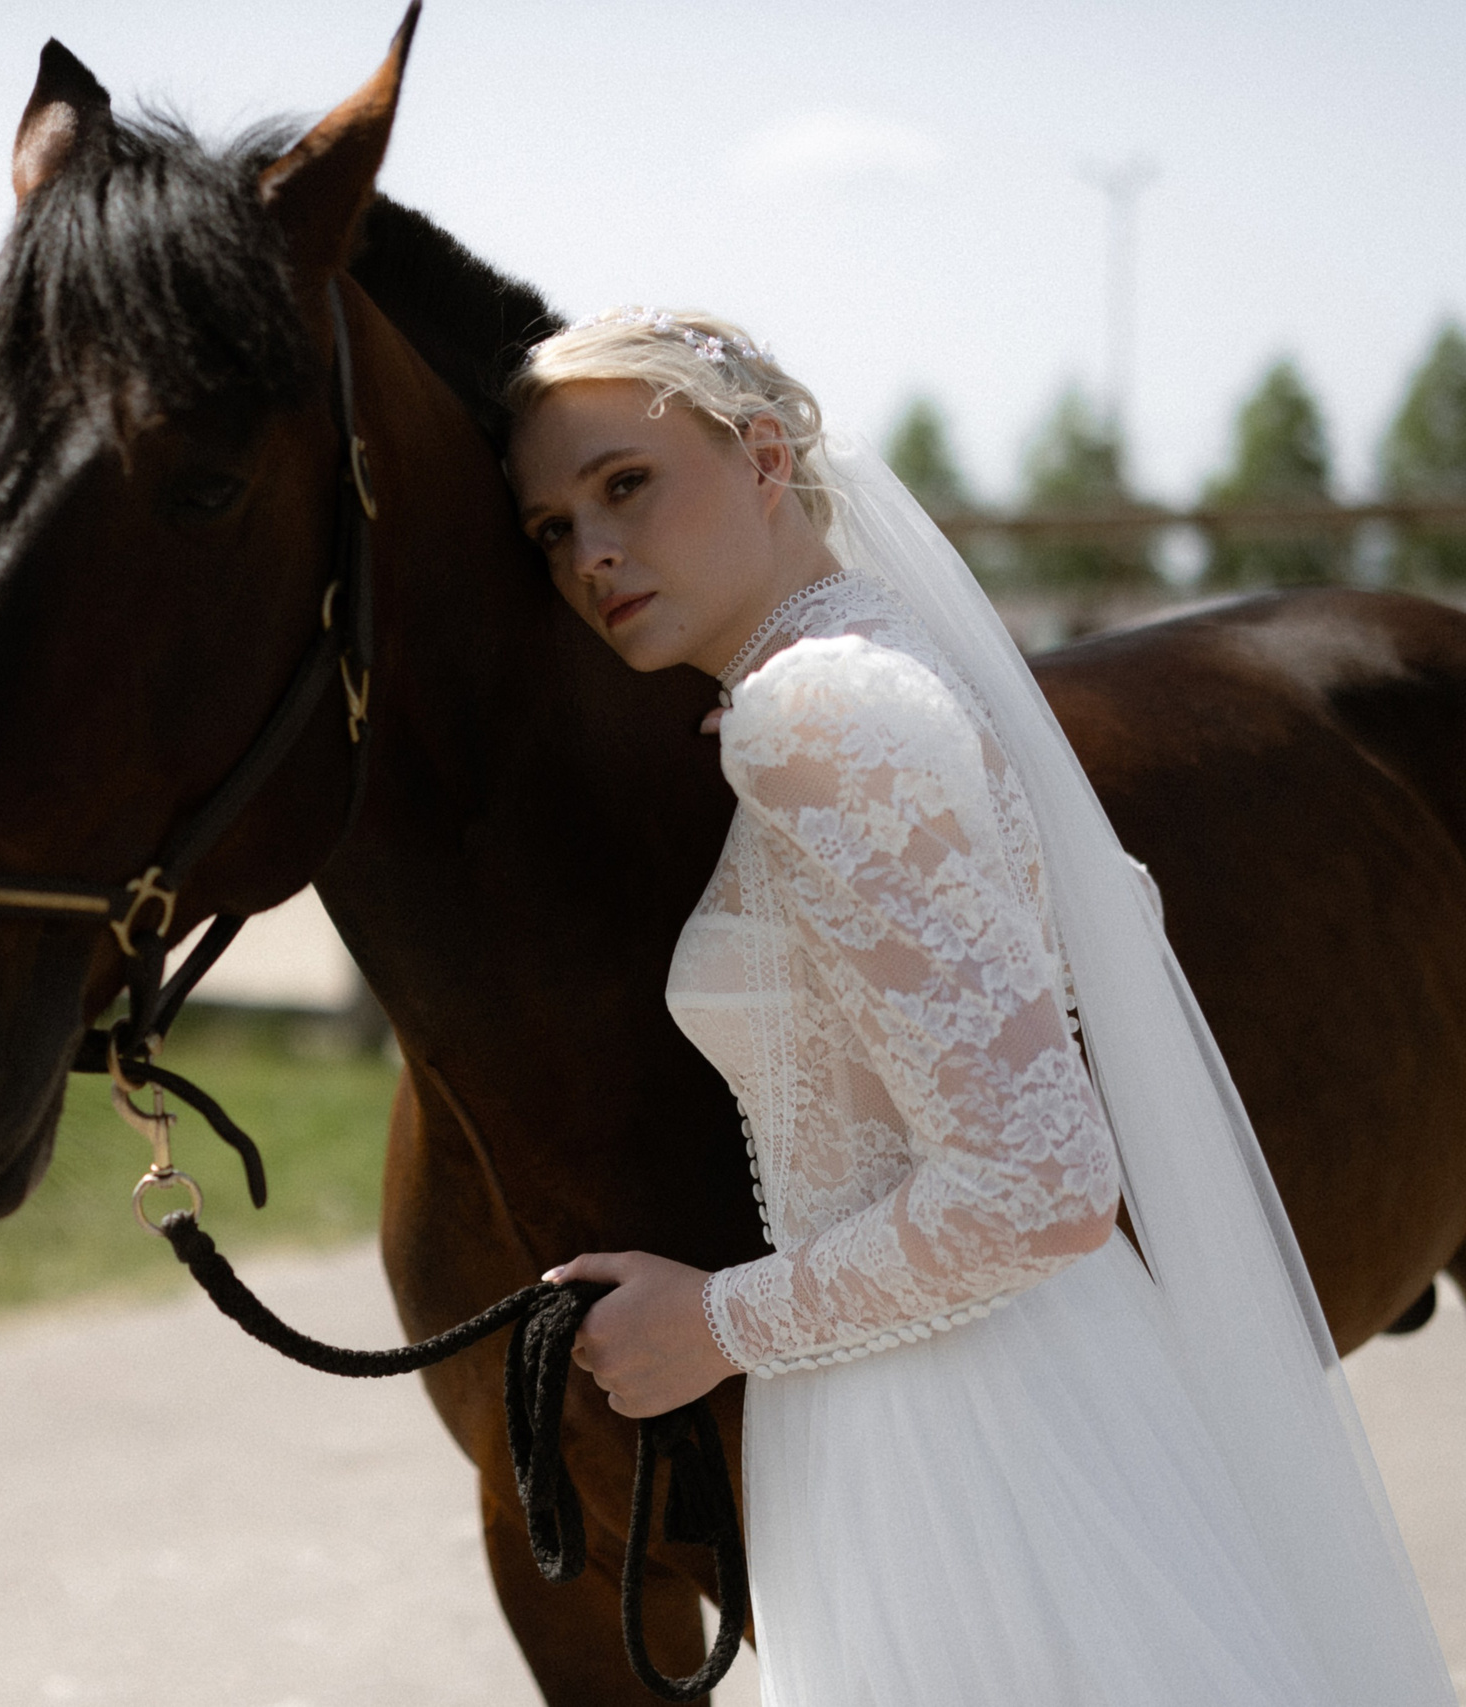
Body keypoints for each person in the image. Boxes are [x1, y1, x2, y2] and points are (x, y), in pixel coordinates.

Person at [503, 310, 1455, 1705]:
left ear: (762, 458)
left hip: (963, 1437)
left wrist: (714, 1323)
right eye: (552, 527)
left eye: (625, 484)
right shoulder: (868, 667)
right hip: (1001, 1381)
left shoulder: (818, 716)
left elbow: (1038, 1185)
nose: (591, 551)